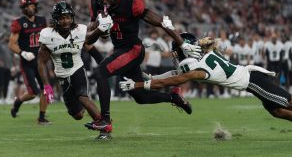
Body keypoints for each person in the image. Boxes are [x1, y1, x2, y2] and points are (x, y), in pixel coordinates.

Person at [85, 0, 201, 130]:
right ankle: (173, 97)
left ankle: (105, 120)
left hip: (133, 49)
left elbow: (162, 22)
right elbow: (89, 39)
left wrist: (181, 42)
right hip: (120, 51)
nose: (104, 1)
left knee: (101, 72)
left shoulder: (131, 4)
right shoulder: (96, 5)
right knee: (141, 97)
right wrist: (100, 29)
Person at [120, 33, 292, 122]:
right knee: (277, 111)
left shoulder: (197, 68)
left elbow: (171, 81)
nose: (175, 54)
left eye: (177, 50)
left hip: (254, 82)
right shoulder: (201, 55)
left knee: (287, 103)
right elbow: (171, 75)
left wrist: (138, 85)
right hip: (252, 80)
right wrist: (149, 78)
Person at [38, 1, 110, 139]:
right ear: (55, 19)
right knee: (77, 115)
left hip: (77, 69)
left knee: (82, 97)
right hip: (62, 77)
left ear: (72, 17)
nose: (65, 21)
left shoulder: (80, 30)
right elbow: (41, 62)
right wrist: (47, 85)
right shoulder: (47, 35)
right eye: (62, 18)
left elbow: (91, 49)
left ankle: (104, 128)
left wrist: (104, 65)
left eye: (68, 17)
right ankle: (92, 113)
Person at [8, 0, 50, 124]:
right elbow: (11, 44)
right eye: (27, 6)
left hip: (40, 61)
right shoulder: (19, 22)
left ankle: (41, 118)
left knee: (47, 89)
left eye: (31, 5)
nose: (30, 8)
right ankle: (18, 101)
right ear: (23, 8)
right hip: (27, 63)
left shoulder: (42, 20)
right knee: (33, 93)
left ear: (35, 6)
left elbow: (48, 38)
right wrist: (23, 53)